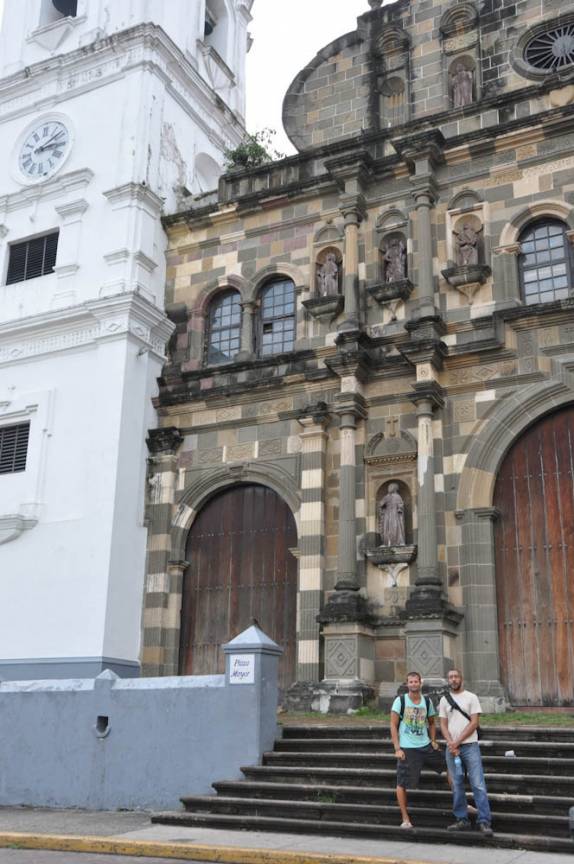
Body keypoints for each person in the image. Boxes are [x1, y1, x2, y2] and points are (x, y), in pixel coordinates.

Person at [439, 669, 493, 836]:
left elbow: (474, 723)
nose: (453, 680)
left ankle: (484, 821)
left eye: (456, 677)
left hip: (470, 746)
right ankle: (461, 819)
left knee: (478, 784)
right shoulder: (444, 699)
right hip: (452, 749)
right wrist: (450, 743)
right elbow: (442, 724)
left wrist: (457, 741)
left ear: (461, 679)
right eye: (450, 677)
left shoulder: (471, 697)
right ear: (448, 680)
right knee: (456, 785)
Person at [390, 671, 446, 828]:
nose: (414, 684)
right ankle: (405, 818)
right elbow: (393, 725)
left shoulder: (426, 701)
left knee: (451, 767)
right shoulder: (400, 701)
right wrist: (397, 748)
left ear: (420, 683)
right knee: (402, 783)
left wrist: (433, 740)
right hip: (407, 748)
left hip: (425, 745)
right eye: (411, 682)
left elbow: (432, 723)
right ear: (407, 684)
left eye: (416, 681)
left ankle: (461, 805)